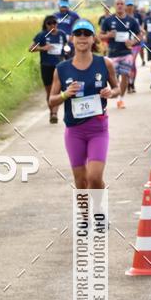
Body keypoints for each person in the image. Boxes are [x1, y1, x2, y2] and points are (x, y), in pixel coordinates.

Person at [49, 19, 119, 189]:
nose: (82, 37)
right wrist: (66, 94)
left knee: (94, 177)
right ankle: (85, 216)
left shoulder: (104, 63)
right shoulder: (61, 68)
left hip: (98, 129)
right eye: (78, 34)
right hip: (74, 131)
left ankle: (99, 213)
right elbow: (52, 100)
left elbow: (117, 88)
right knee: (81, 182)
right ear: (72, 38)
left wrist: (110, 93)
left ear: (93, 39)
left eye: (86, 34)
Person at [99, 0, 140, 109]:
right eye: (118, 4)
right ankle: (115, 95)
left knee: (125, 75)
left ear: (125, 6)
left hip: (126, 52)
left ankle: (121, 99)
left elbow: (140, 35)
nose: (120, 5)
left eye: (122, 3)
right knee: (113, 77)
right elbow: (100, 36)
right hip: (112, 53)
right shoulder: (108, 20)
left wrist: (132, 41)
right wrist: (108, 35)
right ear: (114, 6)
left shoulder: (131, 21)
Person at [29, 15, 68, 123]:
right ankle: (52, 112)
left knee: (57, 90)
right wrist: (43, 48)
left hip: (59, 67)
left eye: (54, 23)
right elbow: (31, 48)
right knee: (49, 92)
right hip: (46, 66)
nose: (52, 26)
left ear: (57, 24)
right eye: (49, 23)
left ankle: (55, 113)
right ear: (45, 25)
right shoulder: (42, 35)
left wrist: (67, 55)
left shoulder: (62, 34)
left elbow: (66, 47)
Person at [125, 0, 143, 93]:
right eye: (128, 5)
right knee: (128, 64)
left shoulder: (138, 16)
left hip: (136, 43)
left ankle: (132, 83)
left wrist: (141, 32)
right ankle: (128, 83)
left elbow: (141, 28)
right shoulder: (122, 16)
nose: (130, 7)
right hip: (125, 43)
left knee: (132, 63)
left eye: (131, 5)